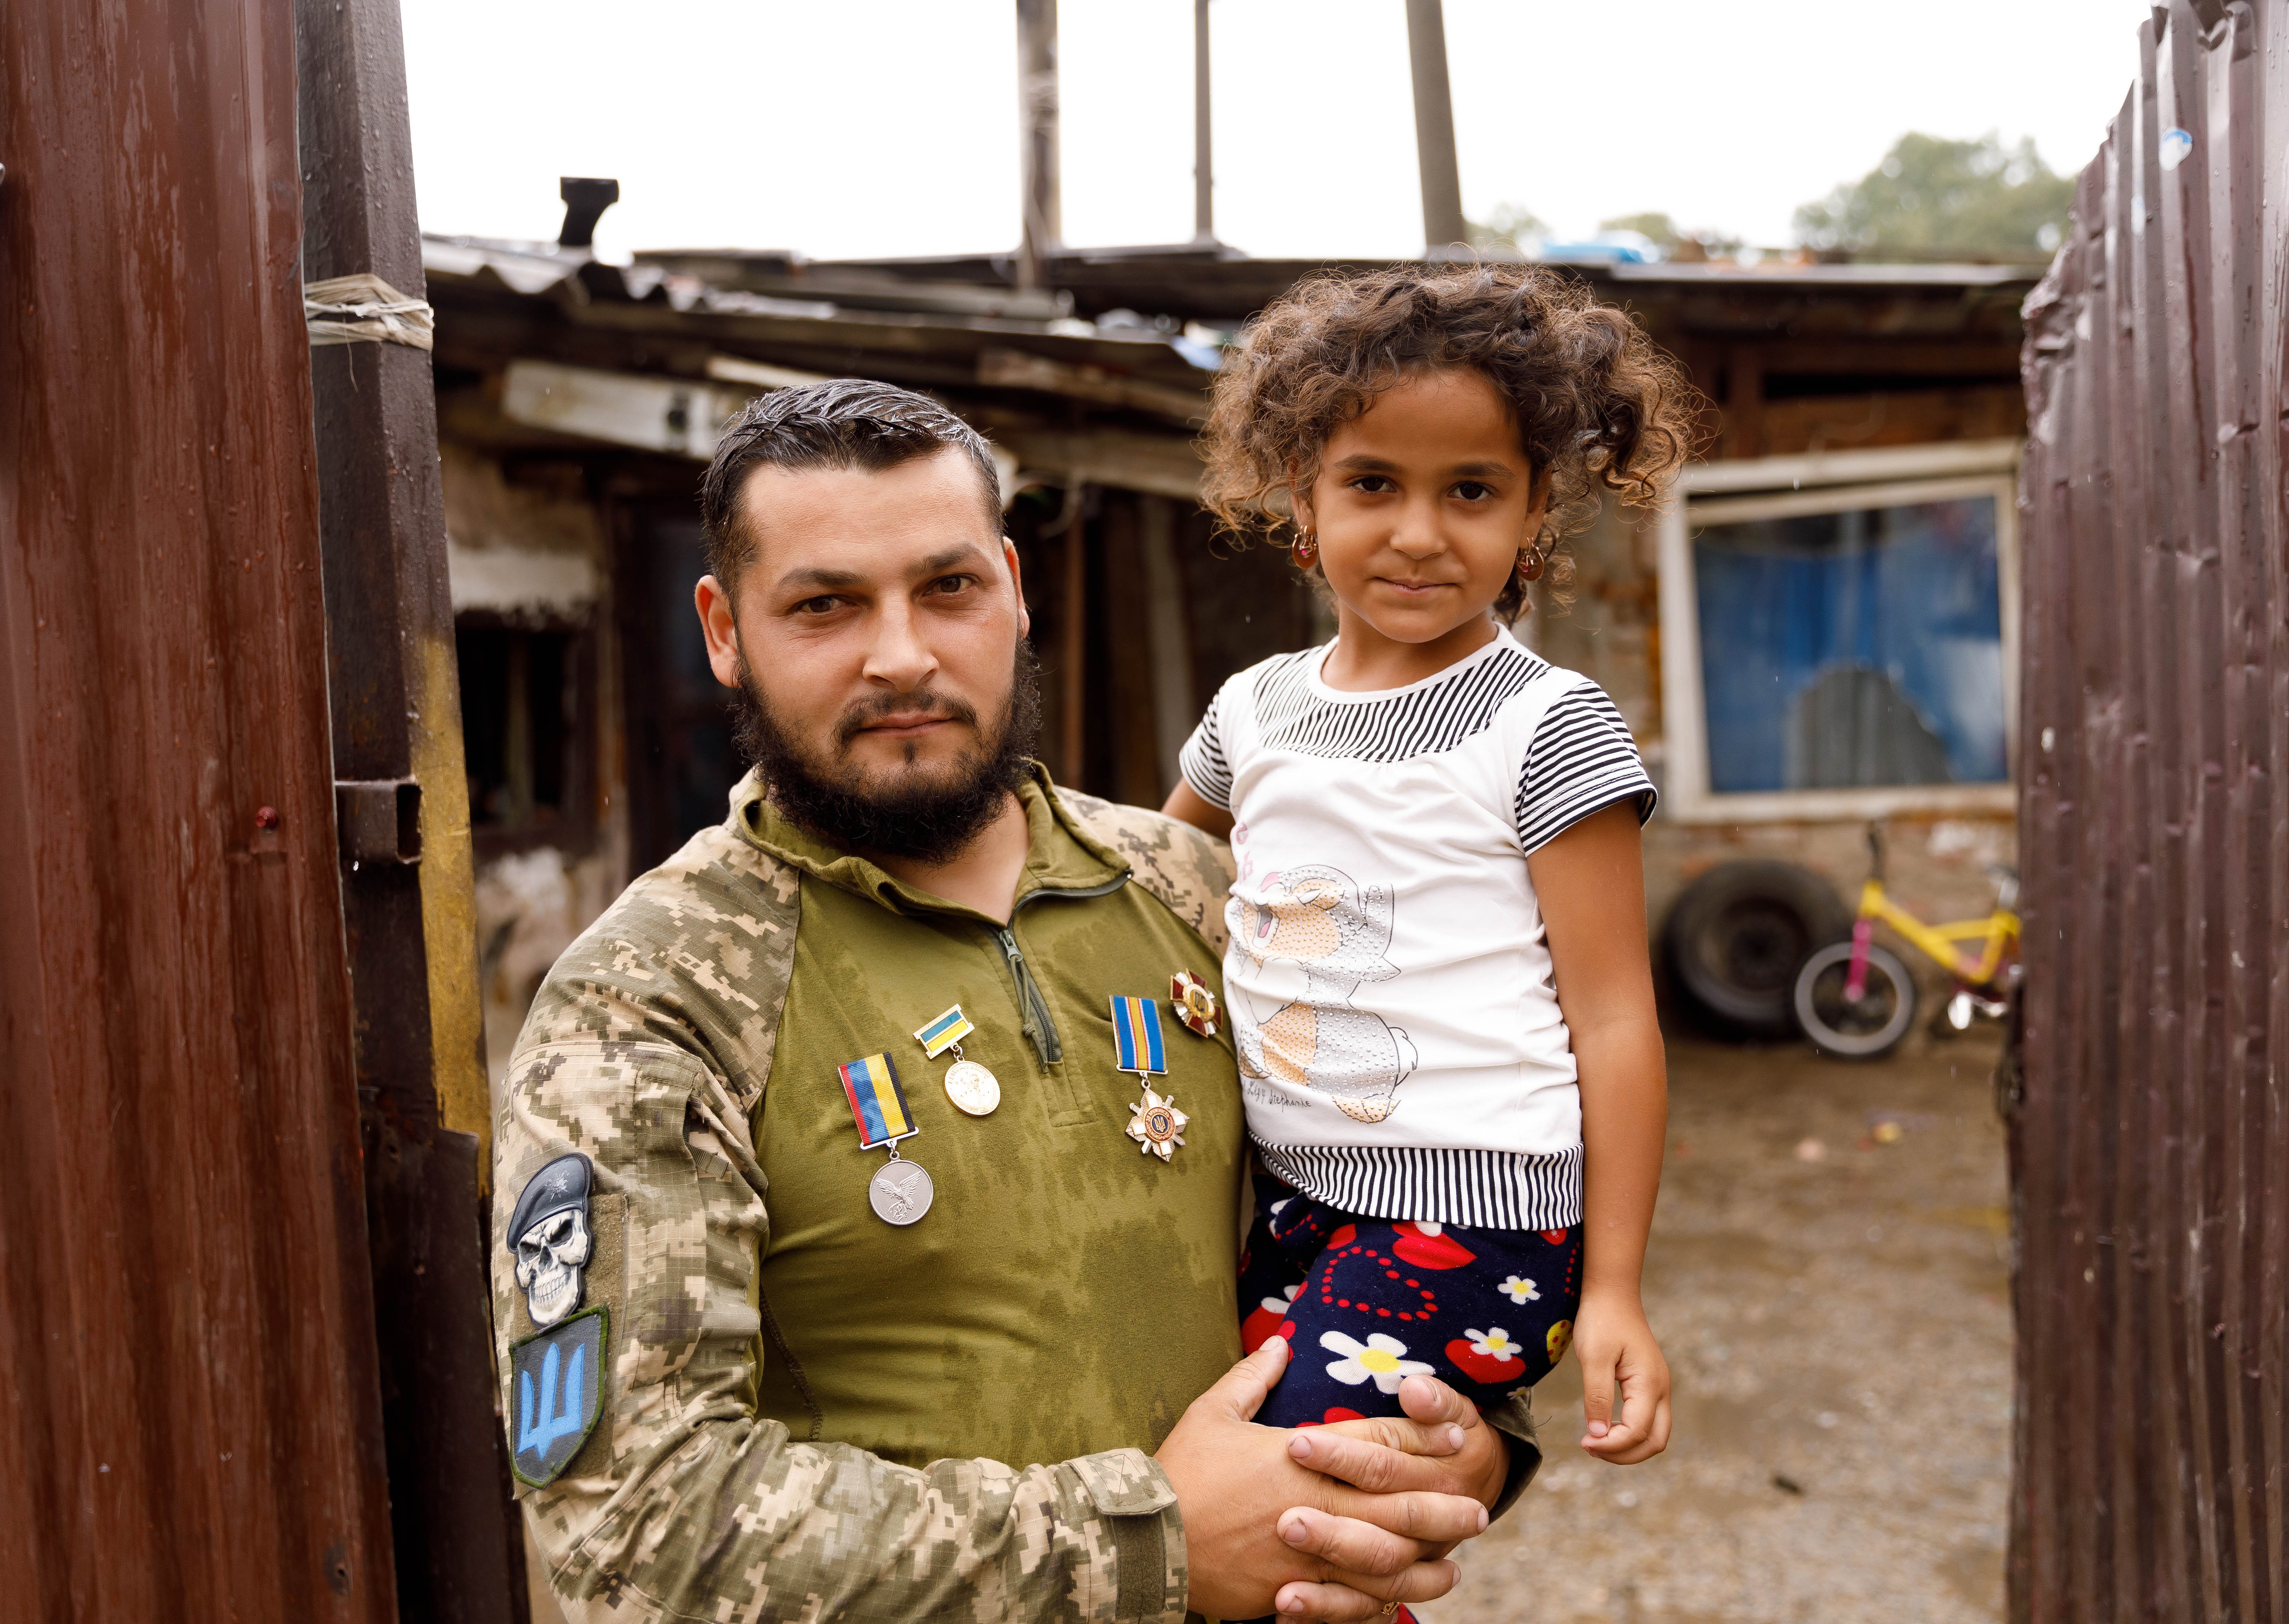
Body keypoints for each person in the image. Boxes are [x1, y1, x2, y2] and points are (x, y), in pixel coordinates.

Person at [488, 378, 1544, 1623]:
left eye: (948, 589)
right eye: (825, 606)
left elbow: (1422, 1189)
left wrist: (1468, 1431)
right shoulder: (653, 1001)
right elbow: (633, 1523)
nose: (904, 655)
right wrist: (1150, 1541)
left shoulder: (1205, 895)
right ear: (724, 630)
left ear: (1013, 586)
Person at [1162, 264, 1685, 1466]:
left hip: (1480, 1217)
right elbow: (1151, 876)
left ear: (1533, 511)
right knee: (1287, 1508)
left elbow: (1614, 1020)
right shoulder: (1253, 710)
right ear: (1304, 499)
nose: (1417, 533)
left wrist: (1615, 1291)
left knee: (1273, 1485)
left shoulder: (1545, 722)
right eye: (1372, 484)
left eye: (1470, 490)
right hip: (1292, 1199)